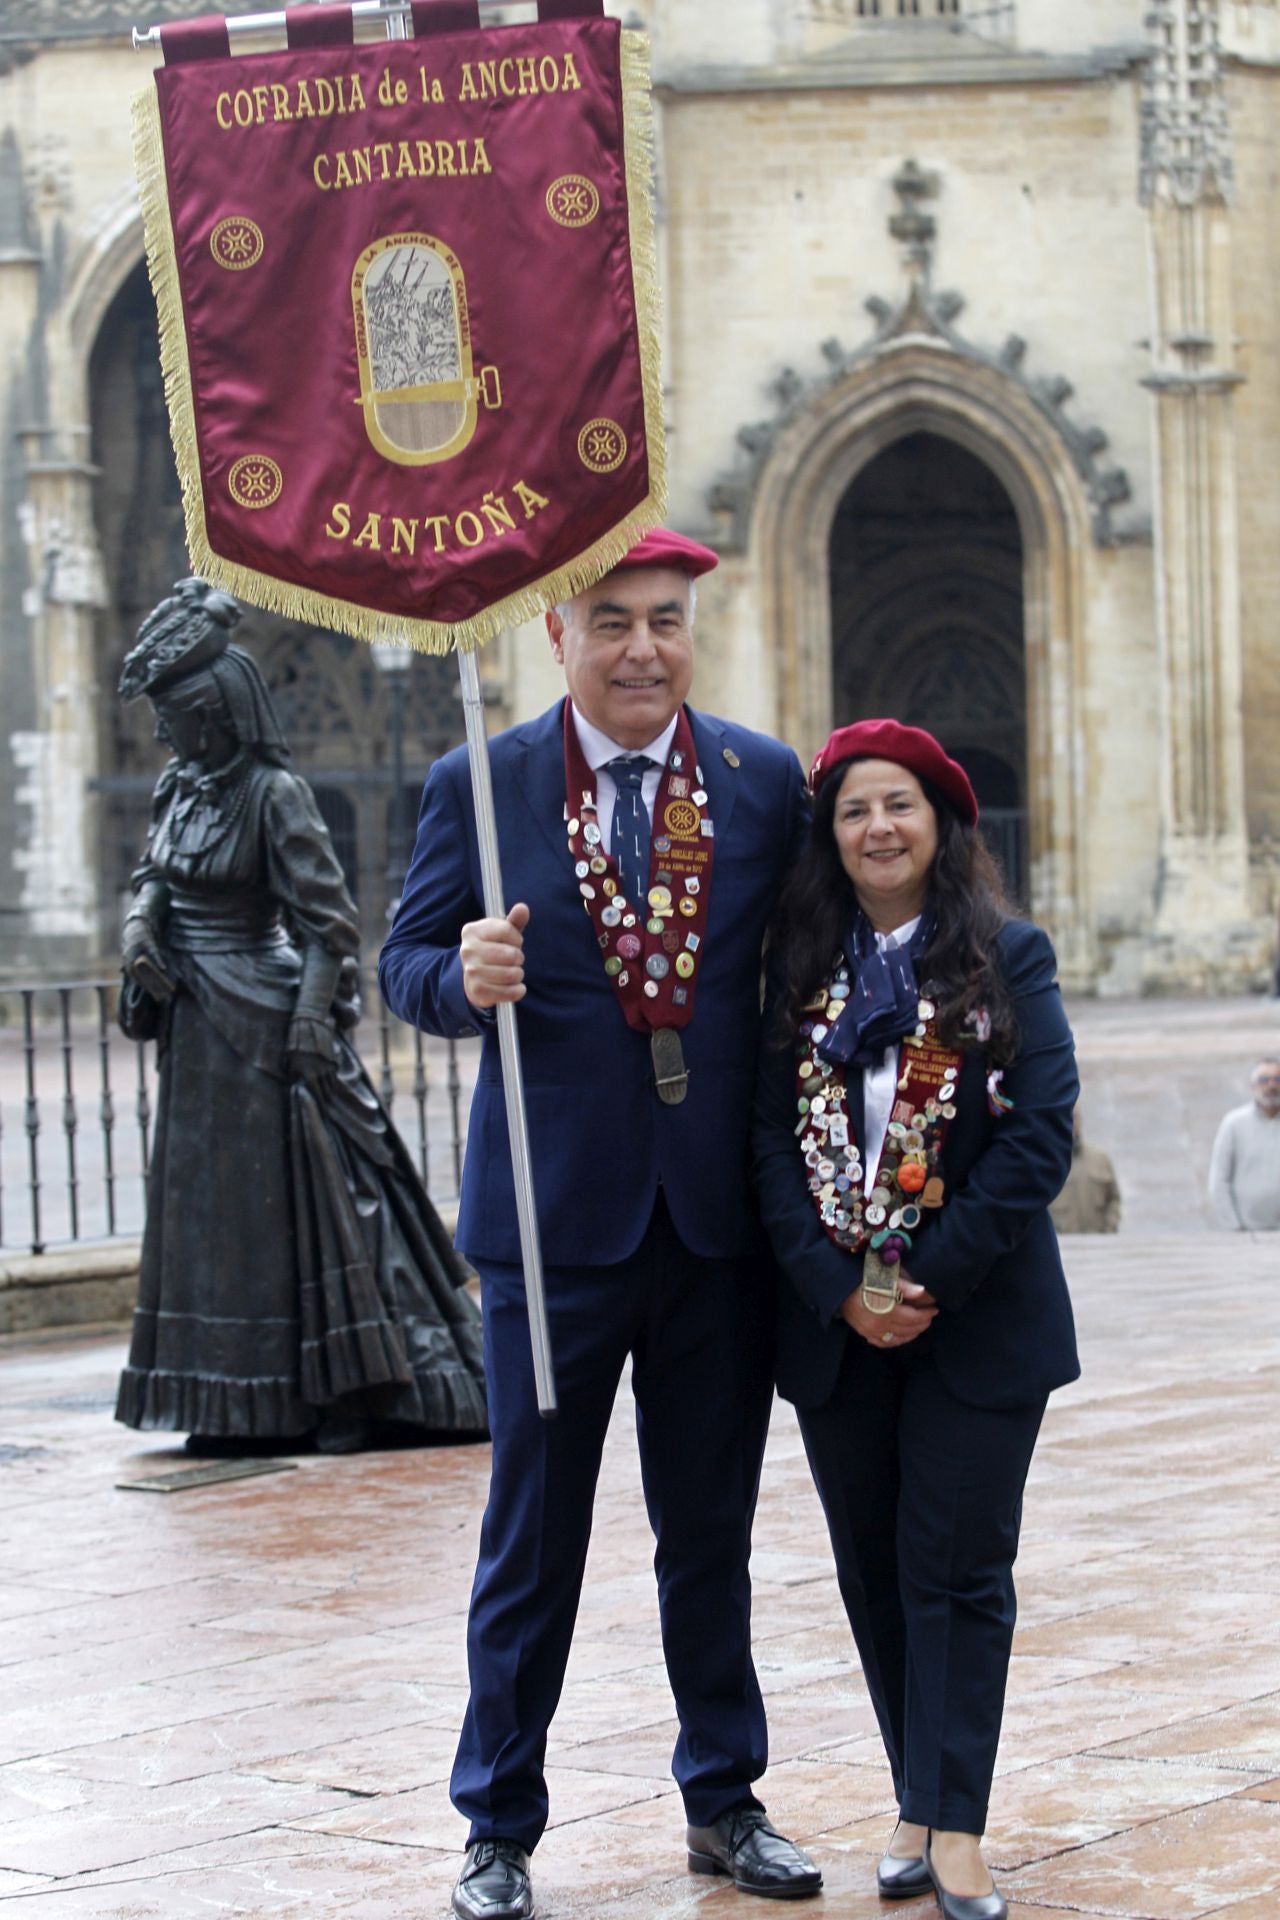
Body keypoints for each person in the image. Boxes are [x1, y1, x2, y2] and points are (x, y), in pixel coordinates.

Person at [379, 529, 819, 1920]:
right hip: (551, 1228)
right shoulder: (482, 783)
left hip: (712, 1231)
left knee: (710, 1532)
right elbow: (401, 963)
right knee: (533, 1536)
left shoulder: (760, 782)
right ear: (556, 635)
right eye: (613, 621)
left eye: (666, 620)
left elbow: (807, 968)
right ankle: (496, 1824)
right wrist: (459, 978)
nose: (643, 649)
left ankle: (725, 1801)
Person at [753, 719, 1080, 1920]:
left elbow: (1039, 1134)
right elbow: (764, 1145)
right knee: (875, 1568)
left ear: (939, 822)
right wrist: (839, 1286)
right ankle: (914, 1799)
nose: (876, 828)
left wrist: (920, 1276)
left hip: (975, 1317)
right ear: (829, 837)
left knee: (958, 1567)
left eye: (897, 804)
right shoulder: (798, 971)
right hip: (839, 1327)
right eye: (852, 810)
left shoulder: (1006, 956)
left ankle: (956, 1830)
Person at [114, 578, 488, 1453]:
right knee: (212, 1218)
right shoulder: (178, 788)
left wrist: (312, 1023)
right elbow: (155, 877)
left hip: (268, 1028)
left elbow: (329, 925)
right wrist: (139, 927)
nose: (162, 734)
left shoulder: (273, 793)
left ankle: (340, 1393)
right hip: (196, 1030)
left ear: (212, 715)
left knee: (295, 1215)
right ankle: (229, 1402)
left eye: (173, 718)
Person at [1208, 1058, 1280, 1231]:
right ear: (1253, 1086)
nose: (1271, 1086)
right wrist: (1234, 1225)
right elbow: (1219, 1179)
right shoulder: (1234, 1124)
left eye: (1277, 1079)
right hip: (1247, 1232)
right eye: (1264, 1080)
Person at [1049, 1105, 1121, 1234]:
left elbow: (1114, 1199)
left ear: (1080, 1121)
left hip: (1099, 1241)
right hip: (1062, 1242)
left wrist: (1109, 1230)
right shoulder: (1048, 1161)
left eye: (1074, 1117)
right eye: (1065, 1116)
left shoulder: (1100, 1158)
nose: (1071, 1121)